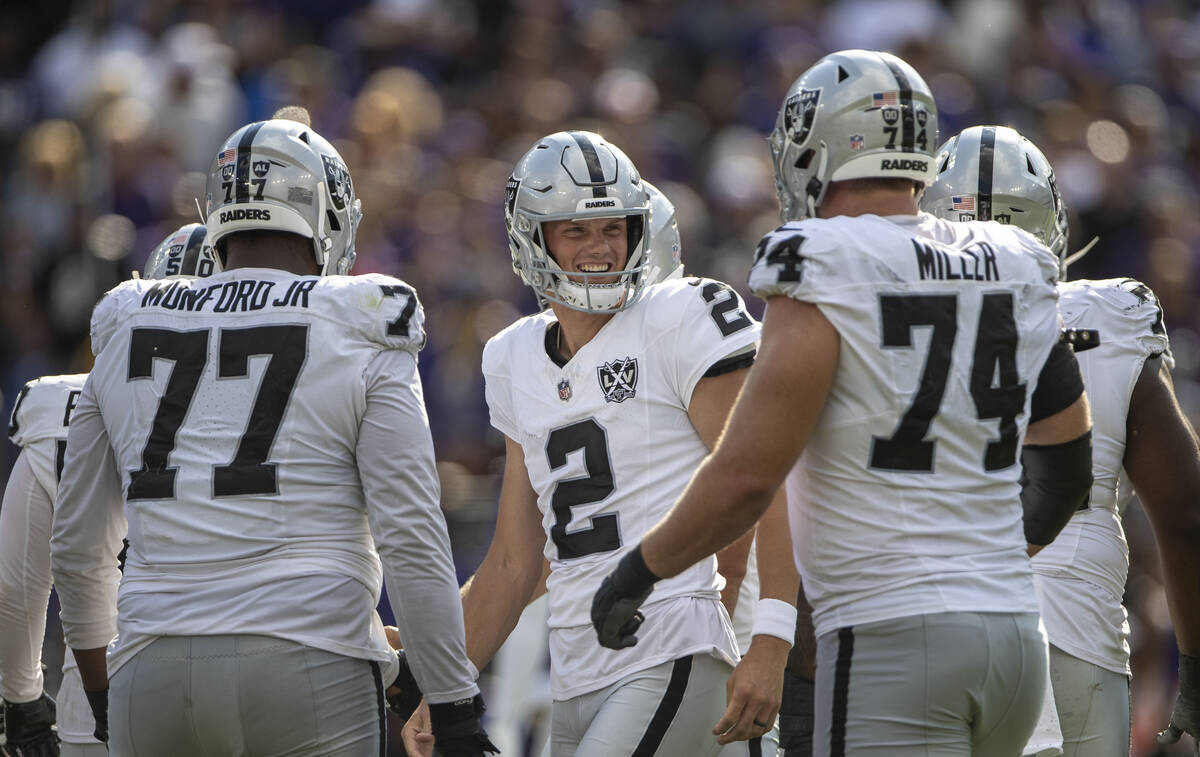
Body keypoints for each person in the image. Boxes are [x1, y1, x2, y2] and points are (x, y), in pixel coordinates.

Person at [592, 49, 1096, 757]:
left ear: (818, 147)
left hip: (896, 640)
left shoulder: (823, 256)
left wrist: (638, 568)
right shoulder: (1010, 257)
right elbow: (1068, 465)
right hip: (1015, 640)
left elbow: (745, 478)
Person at [48, 118, 494, 757]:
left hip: (151, 669)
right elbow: (411, 534)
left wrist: (102, 695)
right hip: (308, 662)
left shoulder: (128, 318)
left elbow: (77, 546)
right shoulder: (361, 319)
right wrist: (453, 706)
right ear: (327, 215)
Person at [402, 131, 795, 757]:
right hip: (578, 672)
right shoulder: (513, 356)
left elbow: (764, 474)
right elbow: (514, 560)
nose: (601, 248)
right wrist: (442, 680)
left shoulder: (682, 313)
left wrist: (772, 636)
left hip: (677, 643)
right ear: (532, 237)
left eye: (614, 228)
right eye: (576, 231)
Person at [922, 124, 1200, 755]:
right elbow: (1186, 513)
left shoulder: (873, 316)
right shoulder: (1107, 316)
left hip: (918, 614)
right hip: (1068, 623)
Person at [1, 224, 218, 757]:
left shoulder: (65, 411)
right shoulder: (294, 399)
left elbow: (16, 586)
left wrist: (21, 697)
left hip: (102, 696)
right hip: (264, 677)